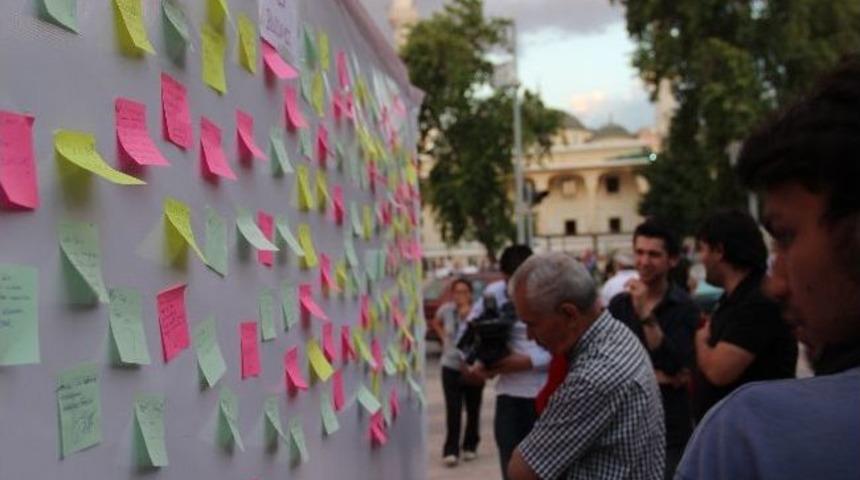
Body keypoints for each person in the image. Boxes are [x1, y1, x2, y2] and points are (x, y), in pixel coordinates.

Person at [676, 57, 860, 479]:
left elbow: (719, 369)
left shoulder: (748, 435)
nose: (777, 285)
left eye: (787, 236)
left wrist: (700, 341)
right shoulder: (731, 303)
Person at [506, 253, 665, 480]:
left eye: (532, 324)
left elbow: (523, 470)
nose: (530, 336)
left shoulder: (593, 377)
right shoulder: (617, 333)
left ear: (570, 314)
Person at [608, 220, 699, 479]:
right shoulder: (619, 305)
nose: (644, 261)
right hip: (625, 430)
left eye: (654, 254)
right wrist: (656, 376)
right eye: (639, 252)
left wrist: (645, 315)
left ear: (672, 260)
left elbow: (676, 365)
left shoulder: (685, 308)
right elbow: (610, 366)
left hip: (669, 431)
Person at [691, 210, 797, 421]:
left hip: (757, 431)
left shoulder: (757, 302)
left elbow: (719, 371)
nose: (701, 258)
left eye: (702, 249)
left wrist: (700, 340)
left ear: (719, 250)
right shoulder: (735, 299)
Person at [466, 245, 550, 480]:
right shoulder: (493, 293)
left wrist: (527, 362)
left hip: (545, 394)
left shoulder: (549, 295)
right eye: (508, 282)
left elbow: (564, 346)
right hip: (509, 397)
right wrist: (480, 361)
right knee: (512, 468)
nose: (513, 291)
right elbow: (469, 331)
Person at [429, 278, 484, 466]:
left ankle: (470, 445)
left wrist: (468, 317)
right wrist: (443, 336)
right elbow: (435, 322)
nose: (460, 296)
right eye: (457, 292)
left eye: (464, 292)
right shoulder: (446, 310)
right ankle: (451, 450)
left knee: (473, 407)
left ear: (470, 294)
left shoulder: (477, 311)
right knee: (453, 409)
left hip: (472, 366)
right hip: (450, 364)